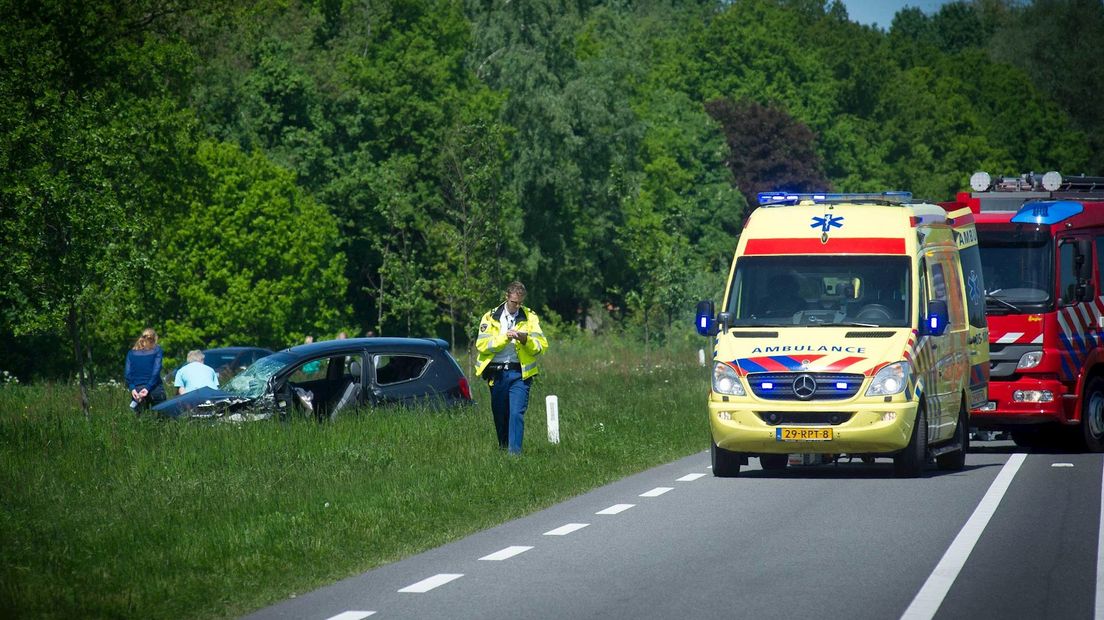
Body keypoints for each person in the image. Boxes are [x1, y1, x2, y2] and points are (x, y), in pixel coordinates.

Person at [475, 281, 549, 454]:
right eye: (514, 302)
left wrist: (525, 340)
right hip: (497, 372)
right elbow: (482, 345)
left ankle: (514, 454)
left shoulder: (530, 317)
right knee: (500, 414)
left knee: (516, 413)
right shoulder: (490, 317)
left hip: (519, 373)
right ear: (506, 297)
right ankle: (503, 448)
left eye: (520, 302)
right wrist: (505, 338)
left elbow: (541, 346)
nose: (517, 306)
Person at [125, 327, 166, 412]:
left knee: (140, 421)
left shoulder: (131, 353)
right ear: (154, 339)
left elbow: (127, 373)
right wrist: (148, 387)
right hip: (155, 388)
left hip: (137, 391)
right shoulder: (157, 350)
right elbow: (156, 370)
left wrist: (132, 388)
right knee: (162, 419)